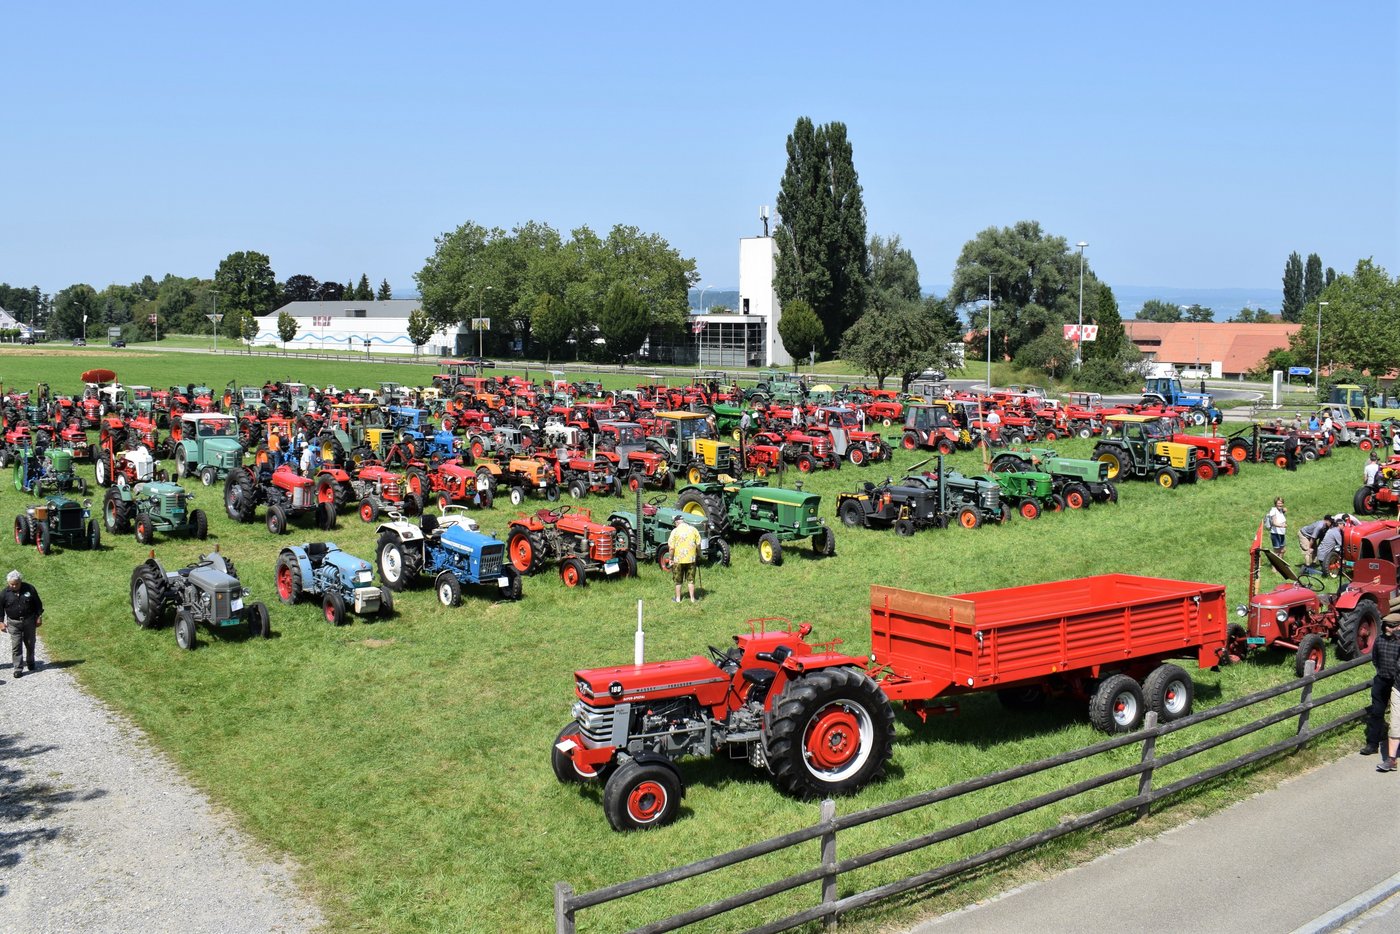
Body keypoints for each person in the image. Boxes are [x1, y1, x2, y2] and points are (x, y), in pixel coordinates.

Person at [1364, 613, 1400, 767]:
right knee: (1377, 711)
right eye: (1386, 625)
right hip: (1383, 679)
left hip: (1397, 681)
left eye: (1391, 626)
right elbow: (1375, 659)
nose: (1387, 628)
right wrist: (1381, 673)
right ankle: (1372, 744)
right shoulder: (1379, 640)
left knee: (1396, 716)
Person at [1, 570, 44, 678]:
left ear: (20, 581)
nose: (14, 586)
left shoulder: (29, 589)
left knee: (30, 643)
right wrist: (1, 622)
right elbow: (0, 609)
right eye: (12, 584)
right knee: (16, 645)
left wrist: (39, 616)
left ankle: (30, 661)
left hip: (29, 621)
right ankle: (18, 668)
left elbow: (38, 604)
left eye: (16, 584)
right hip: (13, 623)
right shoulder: (4, 593)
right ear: (8, 583)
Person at [667, 520, 702, 604]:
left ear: (677, 523)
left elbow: (671, 548)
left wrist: (670, 558)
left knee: (678, 580)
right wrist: (699, 554)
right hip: (691, 559)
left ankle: (678, 599)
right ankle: (692, 599)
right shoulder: (693, 530)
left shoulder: (675, 531)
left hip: (678, 560)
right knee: (691, 579)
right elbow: (698, 544)